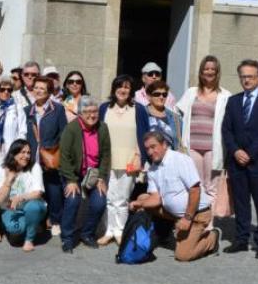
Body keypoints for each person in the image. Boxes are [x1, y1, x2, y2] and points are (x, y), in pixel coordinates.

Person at [221, 59, 258, 260]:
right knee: (241, 204)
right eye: (243, 77)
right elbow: (226, 130)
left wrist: (250, 153)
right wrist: (236, 151)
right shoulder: (234, 101)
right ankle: (240, 239)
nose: (246, 80)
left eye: (250, 76)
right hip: (237, 163)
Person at [130, 131, 220, 261]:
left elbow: (195, 190)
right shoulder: (153, 169)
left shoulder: (180, 160)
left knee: (183, 256)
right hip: (175, 214)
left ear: (164, 144)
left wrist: (188, 218)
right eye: (147, 149)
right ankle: (163, 234)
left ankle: (212, 238)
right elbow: (155, 198)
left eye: (153, 146)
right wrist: (137, 204)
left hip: (196, 214)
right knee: (142, 199)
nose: (150, 152)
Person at [176, 55, 232, 221]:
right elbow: (176, 114)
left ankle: (208, 224)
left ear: (217, 72)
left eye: (212, 69)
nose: (209, 72)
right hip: (192, 146)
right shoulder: (191, 92)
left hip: (212, 148)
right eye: (206, 69)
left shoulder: (225, 95)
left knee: (211, 187)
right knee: (196, 186)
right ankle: (196, 221)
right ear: (201, 72)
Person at [97, 75, 149, 245]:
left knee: (123, 198)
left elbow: (144, 135)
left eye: (127, 87)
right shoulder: (104, 108)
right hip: (108, 159)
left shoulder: (138, 109)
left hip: (130, 160)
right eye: (120, 86)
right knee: (110, 197)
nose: (123, 90)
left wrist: (141, 158)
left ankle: (120, 231)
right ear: (114, 89)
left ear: (131, 91)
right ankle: (109, 230)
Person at [58, 96, 110, 253]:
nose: (92, 115)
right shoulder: (71, 128)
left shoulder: (103, 128)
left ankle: (87, 233)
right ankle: (67, 237)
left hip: (93, 174)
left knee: (99, 202)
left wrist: (101, 177)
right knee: (73, 200)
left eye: (95, 111)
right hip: (73, 173)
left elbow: (106, 155)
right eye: (87, 111)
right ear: (80, 113)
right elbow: (64, 157)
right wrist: (71, 180)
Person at [19, 76, 67, 236]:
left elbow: (63, 133)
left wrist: (59, 152)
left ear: (49, 92)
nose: (38, 91)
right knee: (35, 190)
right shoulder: (27, 111)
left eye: (42, 88)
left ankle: (55, 221)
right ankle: (38, 221)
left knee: (54, 190)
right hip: (32, 158)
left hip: (51, 155)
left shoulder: (57, 109)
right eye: (36, 88)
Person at [0, 139, 47, 252]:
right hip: (11, 209)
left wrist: (20, 197)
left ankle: (29, 239)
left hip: (32, 206)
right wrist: (8, 181)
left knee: (33, 207)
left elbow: (38, 193)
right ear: (13, 153)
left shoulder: (34, 167)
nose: (26, 156)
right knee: (16, 229)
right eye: (22, 152)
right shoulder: (2, 170)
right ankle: (32, 225)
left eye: (28, 152)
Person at [145, 80, 184, 151]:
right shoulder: (142, 114)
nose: (161, 97)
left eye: (164, 94)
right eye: (157, 94)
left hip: (171, 159)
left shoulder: (176, 118)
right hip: (147, 159)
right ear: (149, 96)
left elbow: (180, 143)